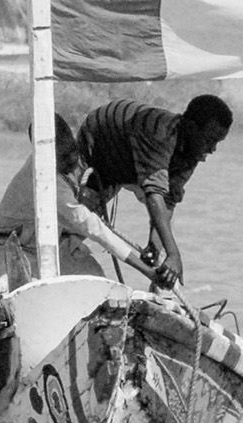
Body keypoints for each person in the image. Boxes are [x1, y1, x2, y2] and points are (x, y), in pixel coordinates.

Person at [76, 94, 233, 284]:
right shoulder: (158, 133)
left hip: (127, 165)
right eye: (210, 140)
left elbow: (168, 201)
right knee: (77, 216)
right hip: (99, 144)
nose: (213, 149)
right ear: (191, 128)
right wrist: (173, 253)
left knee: (84, 222)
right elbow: (154, 194)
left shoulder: (191, 151)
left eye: (217, 142)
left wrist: (155, 247)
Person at [0, 118, 152, 289]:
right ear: (46, 155)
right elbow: (93, 227)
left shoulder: (73, 158)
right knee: (10, 290)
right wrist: (146, 270)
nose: (72, 162)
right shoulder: (47, 181)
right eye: (64, 159)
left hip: (58, 242)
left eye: (73, 152)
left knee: (99, 287)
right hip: (12, 245)